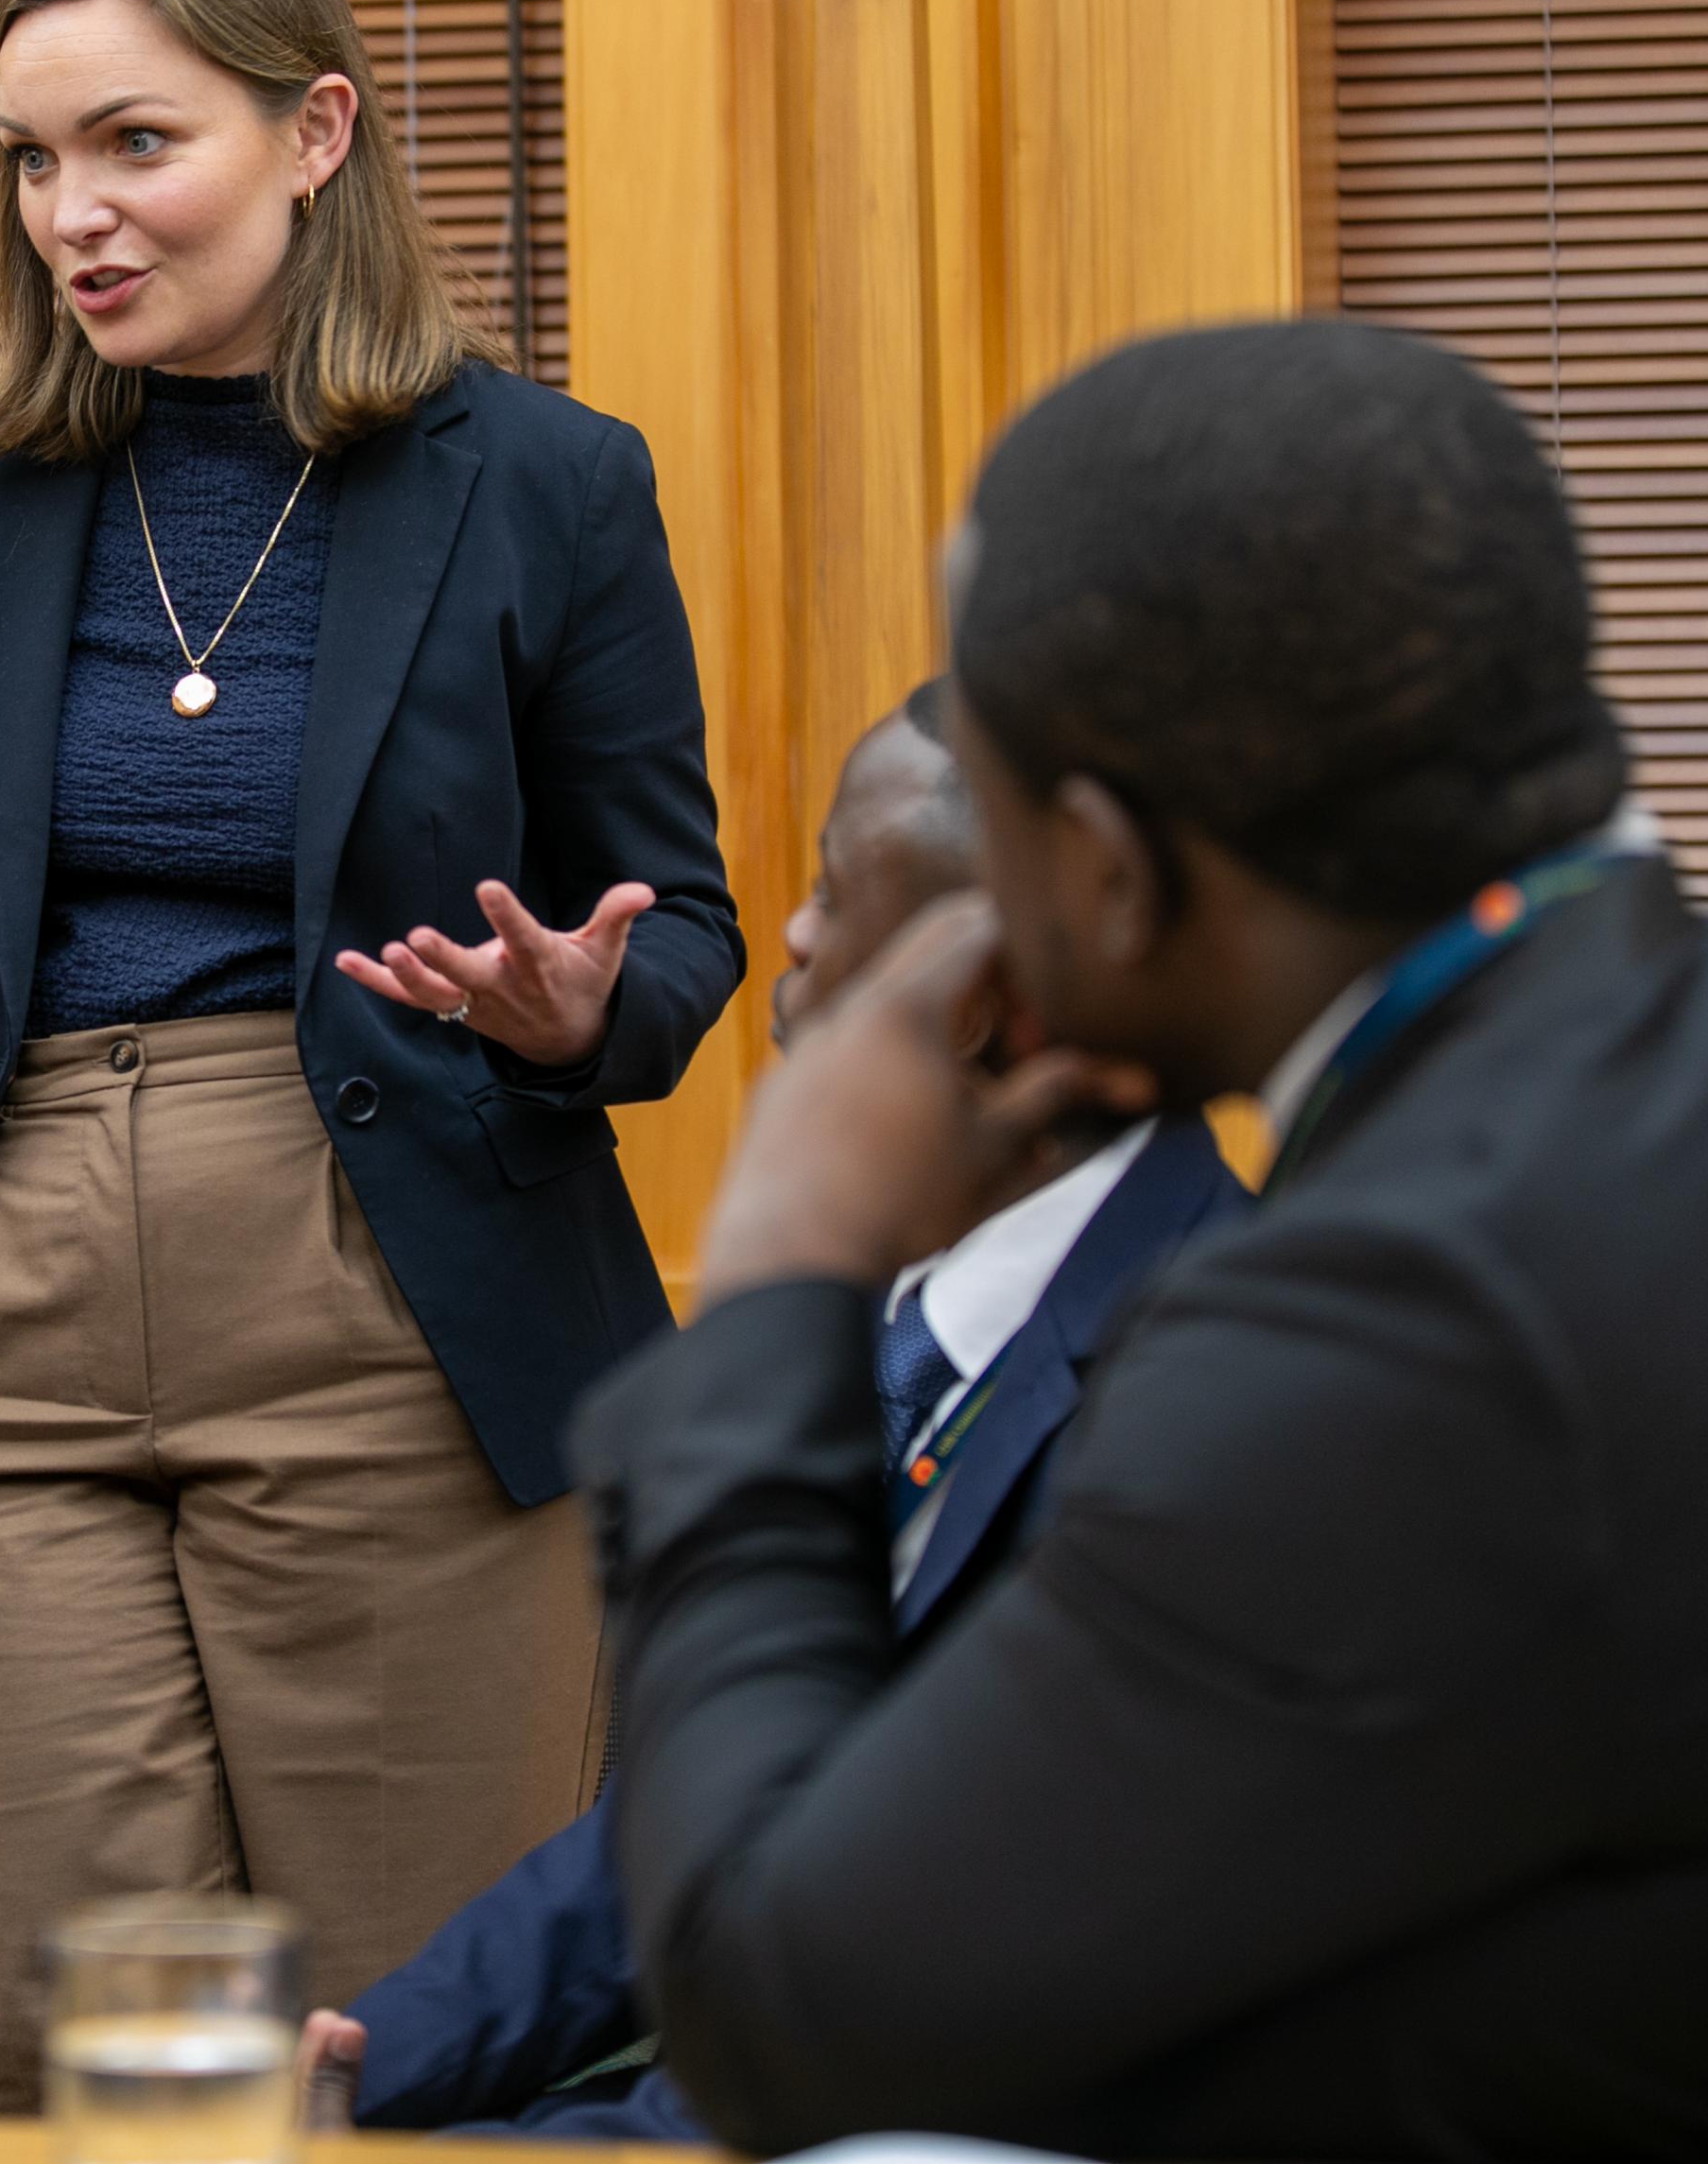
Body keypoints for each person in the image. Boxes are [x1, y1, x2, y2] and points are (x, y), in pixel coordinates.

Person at [0, 0, 740, 2109]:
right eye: (29, 159)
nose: (69, 213)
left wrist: (569, 1009)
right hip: (0, 1319)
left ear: (314, 134)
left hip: (391, 1292)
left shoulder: (546, 484)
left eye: (133, 143)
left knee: (407, 2040)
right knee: (51, 2049)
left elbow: (669, 932)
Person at [575, 318, 1708, 2158]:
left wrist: (780, 1270)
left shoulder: (1424, 1311)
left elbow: (771, 2004)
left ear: (1106, 867)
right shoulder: (1688, 1062)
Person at [302, 681, 1251, 2143]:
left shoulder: (1208, 1378)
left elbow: (937, 1972)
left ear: (989, 1000)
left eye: (834, 895)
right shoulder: (911, 1310)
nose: (794, 940)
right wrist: (356, 2072)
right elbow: (679, 1828)